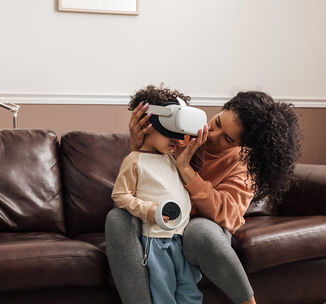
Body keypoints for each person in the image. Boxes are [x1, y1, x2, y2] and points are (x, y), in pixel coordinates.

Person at [106, 86, 302, 304]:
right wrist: (139, 145)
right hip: (160, 219)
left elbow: (227, 214)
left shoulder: (242, 164)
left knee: (199, 231)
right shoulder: (182, 132)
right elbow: (145, 180)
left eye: (227, 139)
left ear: (242, 146)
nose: (212, 135)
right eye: (216, 122)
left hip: (202, 226)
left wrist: (187, 171)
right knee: (117, 218)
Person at [111, 91, 205, 304]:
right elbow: (120, 194)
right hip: (156, 241)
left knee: (190, 293)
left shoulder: (173, 159)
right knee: (164, 293)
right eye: (169, 134)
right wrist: (147, 210)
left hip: (181, 240)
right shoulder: (134, 160)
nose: (176, 141)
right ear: (147, 125)